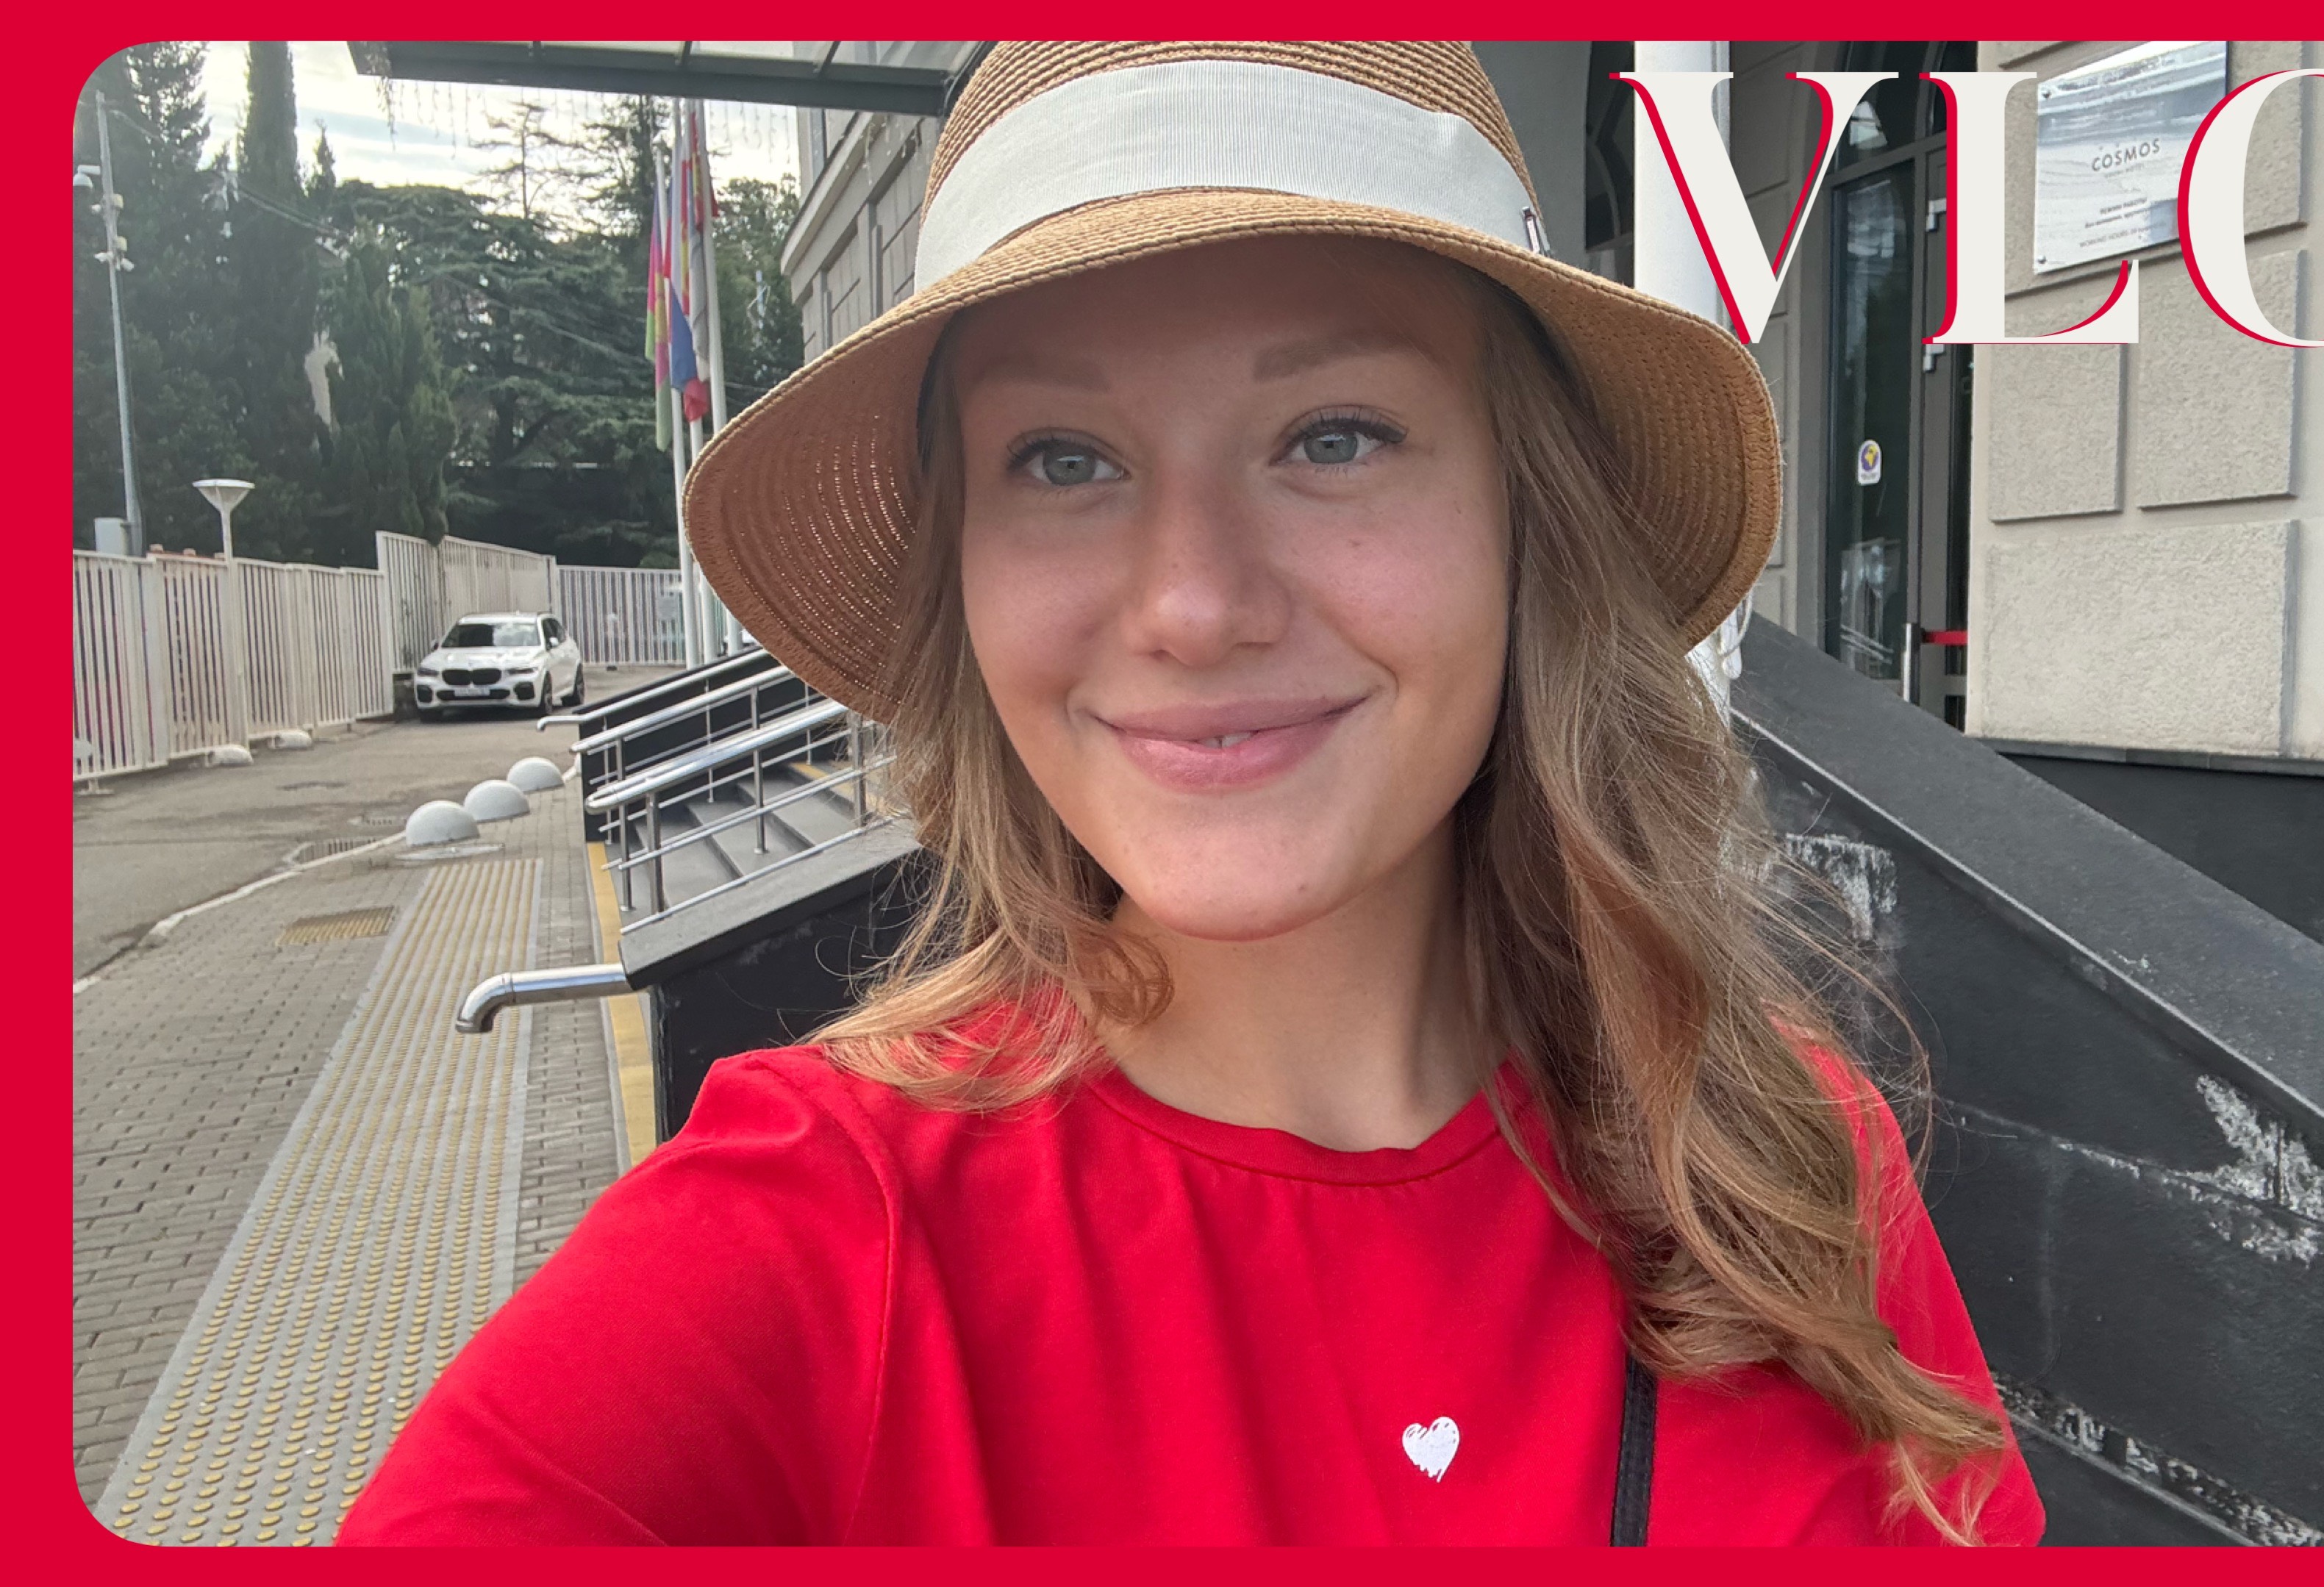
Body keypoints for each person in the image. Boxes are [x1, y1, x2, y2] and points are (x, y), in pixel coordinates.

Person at [338, 41, 2042, 1547]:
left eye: (1333, 435)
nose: (1192, 604)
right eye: (1062, 460)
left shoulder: (1777, 1161)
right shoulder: (807, 1244)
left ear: (1528, 521)